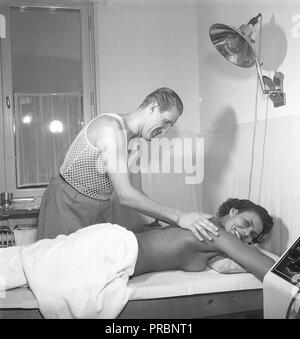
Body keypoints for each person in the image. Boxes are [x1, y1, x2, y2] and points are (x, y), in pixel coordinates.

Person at [37, 88, 218, 241]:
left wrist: (175, 221)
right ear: (153, 108)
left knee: (93, 273)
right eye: (166, 122)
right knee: (61, 272)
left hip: (99, 207)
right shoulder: (110, 127)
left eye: (170, 126)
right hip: (68, 201)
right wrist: (179, 217)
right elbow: (126, 195)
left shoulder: (135, 145)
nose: (165, 132)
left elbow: (136, 193)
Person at [133, 198, 275, 281]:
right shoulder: (214, 230)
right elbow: (270, 271)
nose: (246, 232)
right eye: (246, 223)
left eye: (252, 234)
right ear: (233, 212)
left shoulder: (201, 222)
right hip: (121, 249)